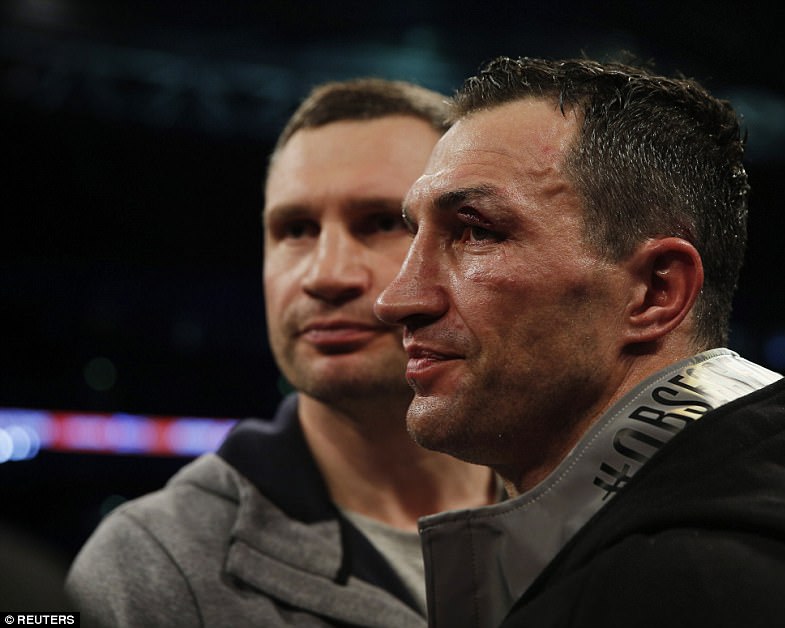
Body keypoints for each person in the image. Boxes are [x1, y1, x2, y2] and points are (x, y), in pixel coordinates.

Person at [374, 57, 785, 628]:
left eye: (477, 231)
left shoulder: (680, 587)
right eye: (412, 233)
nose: (396, 299)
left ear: (657, 292)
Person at [66, 78, 496, 627]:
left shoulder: (593, 514)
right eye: (295, 229)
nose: (326, 275)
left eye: (384, 222)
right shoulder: (153, 564)